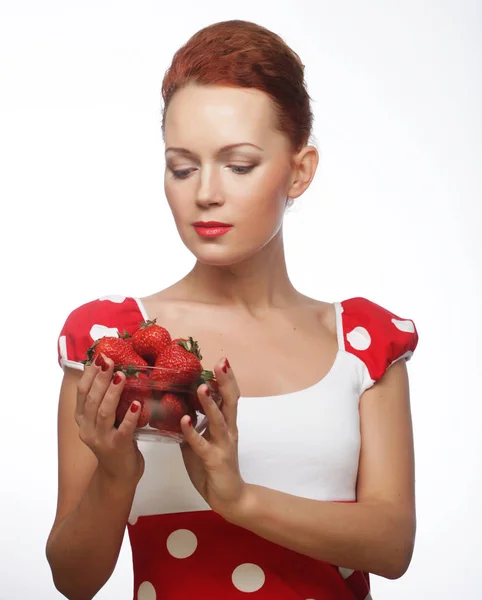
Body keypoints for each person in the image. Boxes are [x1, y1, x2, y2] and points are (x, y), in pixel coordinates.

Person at [46, 19, 419, 600]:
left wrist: (237, 498)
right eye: (182, 166)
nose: (205, 193)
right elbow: (73, 579)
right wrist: (116, 476)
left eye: (238, 165)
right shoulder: (113, 339)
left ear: (299, 171)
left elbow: (393, 546)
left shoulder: (364, 342)